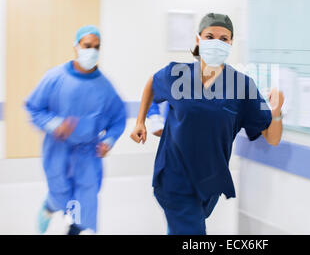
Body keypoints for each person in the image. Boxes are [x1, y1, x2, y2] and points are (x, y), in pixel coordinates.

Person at [130, 13, 284, 235]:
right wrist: (140, 122)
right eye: (210, 36)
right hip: (175, 177)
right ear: (198, 39)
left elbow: (272, 137)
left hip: (210, 182)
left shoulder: (242, 86)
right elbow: (152, 83)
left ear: (231, 43)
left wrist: (276, 112)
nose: (216, 43)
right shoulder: (177, 74)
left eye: (224, 38)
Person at [24, 25, 127, 235]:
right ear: (76, 47)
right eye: (87, 46)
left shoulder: (105, 87)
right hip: (57, 150)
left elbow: (118, 118)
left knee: (85, 203)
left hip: (88, 155)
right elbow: (34, 107)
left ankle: (74, 229)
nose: (92, 51)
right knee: (60, 194)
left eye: (96, 47)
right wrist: (54, 124)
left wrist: (108, 141)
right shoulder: (55, 78)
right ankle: (50, 206)